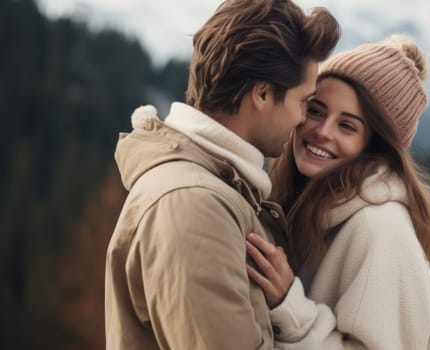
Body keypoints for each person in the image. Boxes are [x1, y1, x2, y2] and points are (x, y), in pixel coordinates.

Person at [104, 0, 339, 348]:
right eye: (303, 101)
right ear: (261, 94)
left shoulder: (212, 191)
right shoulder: (193, 205)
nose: (303, 119)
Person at [246, 35, 430, 349]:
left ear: (375, 147)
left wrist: (290, 306)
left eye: (347, 126)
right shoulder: (300, 202)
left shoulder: (382, 230)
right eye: (316, 110)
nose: (322, 131)